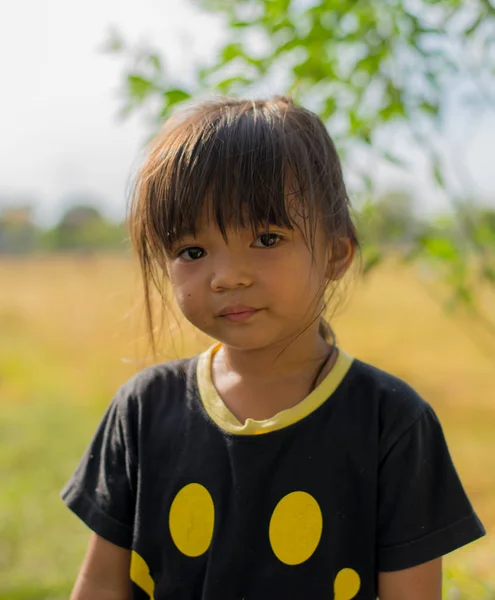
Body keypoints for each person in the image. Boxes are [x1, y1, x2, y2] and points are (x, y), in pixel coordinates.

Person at [61, 95, 485, 600]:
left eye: (266, 238)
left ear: (336, 253)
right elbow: (101, 586)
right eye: (192, 251)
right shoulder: (144, 410)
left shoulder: (389, 423)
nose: (227, 276)